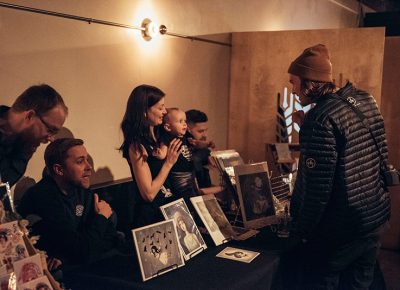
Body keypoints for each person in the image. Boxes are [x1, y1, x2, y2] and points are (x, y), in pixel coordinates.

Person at [286, 44, 390, 289]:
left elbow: (317, 190)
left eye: (294, 82)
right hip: (373, 221)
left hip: (341, 232)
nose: (293, 90)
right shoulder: (364, 99)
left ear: (309, 82)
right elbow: (381, 153)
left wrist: (300, 232)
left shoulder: (320, 118)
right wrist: (308, 132)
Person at [18, 138, 127, 265]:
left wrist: (75, 251)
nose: (89, 166)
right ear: (59, 170)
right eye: (80, 161)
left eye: (87, 159)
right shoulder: (44, 197)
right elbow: (82, 252)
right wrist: (102, 216)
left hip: (76, 261)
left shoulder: (81, 189)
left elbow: (110, 237)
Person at [119, 85, 181, 228]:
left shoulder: (161, 137)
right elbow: (149, 194)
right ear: (144, 111)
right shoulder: (136, 146)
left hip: (170, 210)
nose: (164, 112)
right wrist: (168, 164)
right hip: (152, 217)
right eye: (160, 108)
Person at [0, 84, 68, 187]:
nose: (51, 138)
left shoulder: (25, 145)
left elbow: (4, 188)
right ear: (29, 116)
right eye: (50, 130)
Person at [160, 108, 198, 202]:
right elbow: (163, 151)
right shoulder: (168, 138)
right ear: (168, 127)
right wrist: (160, 154)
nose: (185, 124)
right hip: (179, 177)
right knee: (186, 198)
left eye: (185, 121)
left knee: (194, 196)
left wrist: (207, 144)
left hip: (190, 175)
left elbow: (197, 143)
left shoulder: (186, 137)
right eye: (180, 121)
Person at [185, 109, 224, 195]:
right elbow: (196, 191)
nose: (205, 135)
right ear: (187, 130)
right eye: (200, 131)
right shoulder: (184, 156)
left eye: (206, 130)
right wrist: (224, 188)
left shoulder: (204, 151)